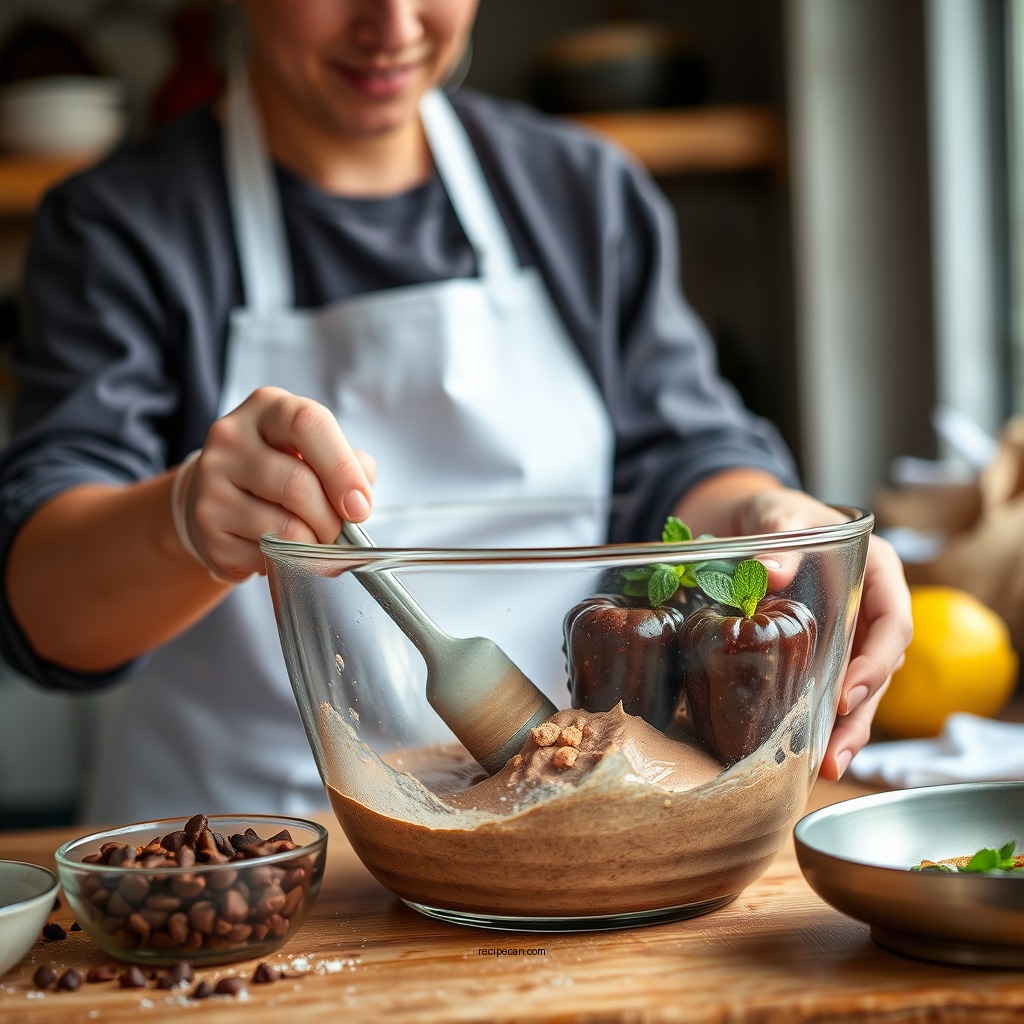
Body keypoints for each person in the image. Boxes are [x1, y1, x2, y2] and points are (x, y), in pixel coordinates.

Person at [0, 0, 911, 825]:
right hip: (239, 848)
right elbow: (44, 610)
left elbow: (679, 456)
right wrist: (183, 522)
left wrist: (770, 521)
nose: (394, 25)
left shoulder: (579, 189)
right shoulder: (119, 228)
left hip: (579, 821)